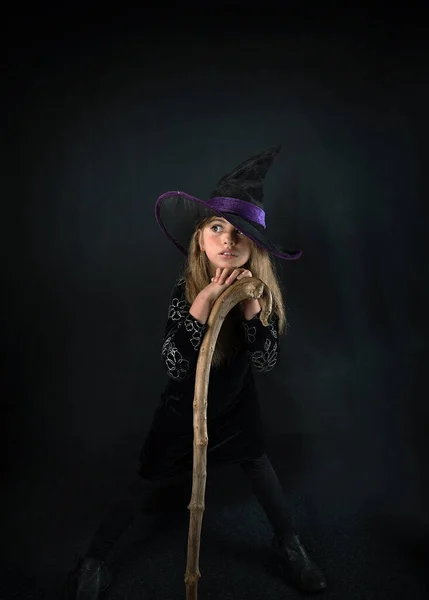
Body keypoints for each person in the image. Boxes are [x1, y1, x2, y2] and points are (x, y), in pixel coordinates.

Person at [66, 146, 328, 598]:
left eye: (240, 234)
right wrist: (202, 303)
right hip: (182, 409)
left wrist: (249, 309)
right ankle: (94, 560)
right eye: (217, 228)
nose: (228, 240)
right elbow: (174, 362)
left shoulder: (257, 293)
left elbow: (265, 362)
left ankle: (290, 545)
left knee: (259, 467)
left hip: (235, 405)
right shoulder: (184, 289)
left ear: (255, 248)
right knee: (145, 476)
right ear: (200, 239)